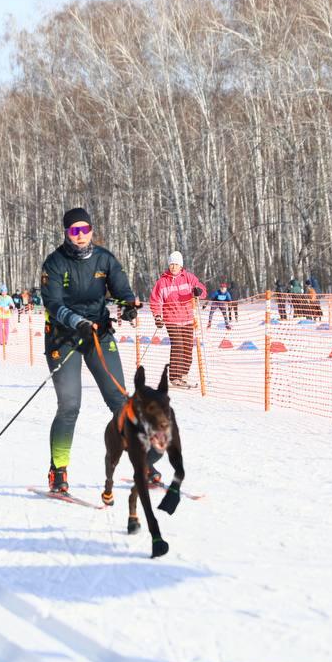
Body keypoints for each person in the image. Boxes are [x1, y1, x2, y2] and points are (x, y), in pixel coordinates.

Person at [41, 206, 151, 496]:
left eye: (84, 230)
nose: (80, 236)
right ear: (66, 232)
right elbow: (52, 303)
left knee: (120, 402)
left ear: (92, 230)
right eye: (74, 230)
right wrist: (75, 321)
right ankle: (58, 470)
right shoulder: (54, 263)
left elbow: (122, 291)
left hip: (98, 336)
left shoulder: (105, 259)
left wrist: (128, 307)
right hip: (63, 338)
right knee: (70, 405)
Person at [149, 251, 207, 388]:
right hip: (171, 319)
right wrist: (157, 316)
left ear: (181, 266)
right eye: (171, 264)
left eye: (176, 264)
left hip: (187, 318)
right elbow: (155, 301)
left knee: (187, 348)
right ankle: (175, 377)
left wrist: (198, 291)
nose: (173, 267)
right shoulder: (162, 282)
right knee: (178, 346)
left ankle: (183, 375)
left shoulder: (188, 278)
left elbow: (202, 290)